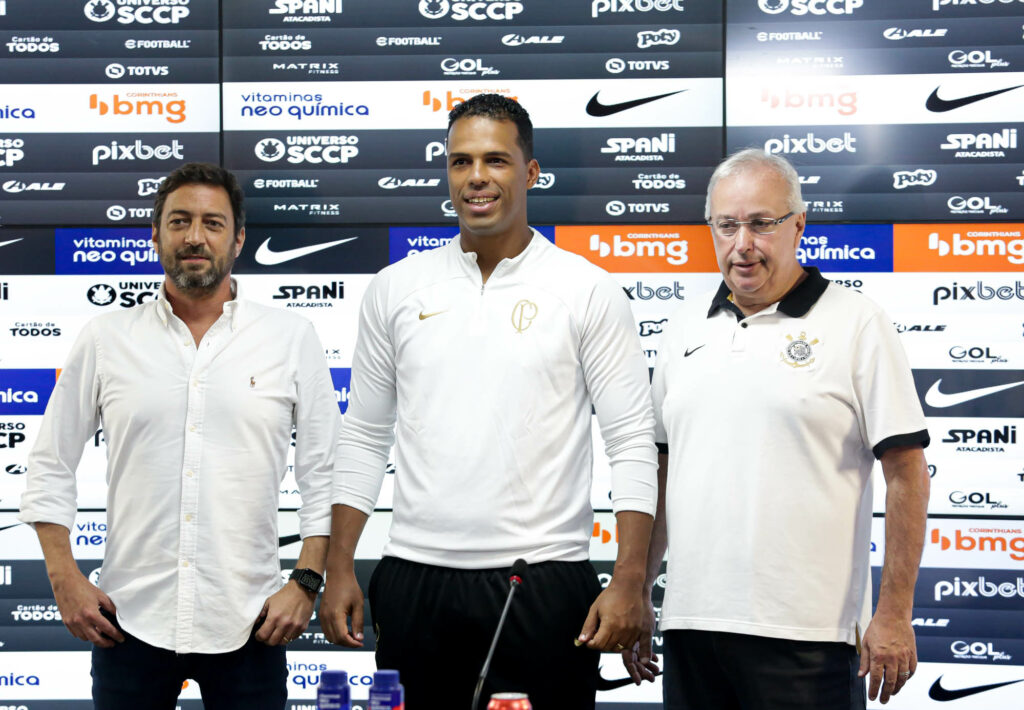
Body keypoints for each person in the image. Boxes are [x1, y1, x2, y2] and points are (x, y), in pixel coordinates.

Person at [319, 93, 658, 709]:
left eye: (496, 160)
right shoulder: (395, 288)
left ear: (530, 172)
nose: (476, 177)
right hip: (415, 575)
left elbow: (633, 440)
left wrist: (631, 577)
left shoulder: (586, 290)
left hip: (544, 579)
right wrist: (339, 565)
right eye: (460, 161)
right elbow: (364, 436)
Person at [19, 163, 339, 710]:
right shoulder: (106, 338)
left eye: (213, 223)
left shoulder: (291, 338)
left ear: (238, 238)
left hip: (251, 621)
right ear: (156, 235)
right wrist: (64, 577)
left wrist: (305, 583)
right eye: (179, 221)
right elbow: (49, 464)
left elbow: (325, 473)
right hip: (128, 621)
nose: (195, 236)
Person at [624, 149, 930, 709]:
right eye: (727, 225)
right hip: (693, 627)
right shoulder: (682, 327)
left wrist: (894, 612)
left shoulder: (858, 322)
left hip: (809, 639)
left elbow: (907, 473)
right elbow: (661, 471)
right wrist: (640, 589)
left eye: (762, 223)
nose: (744, 243)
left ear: (798, 226)